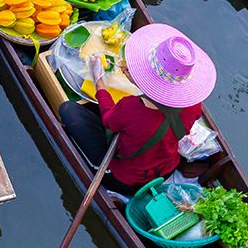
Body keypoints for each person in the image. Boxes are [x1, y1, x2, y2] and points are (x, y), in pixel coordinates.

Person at [60, 24, 216, 194]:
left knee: (69, 110)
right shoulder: (193, 104)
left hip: (124, 179)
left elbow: (108, 121)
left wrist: (99, 82)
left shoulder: (132, 108)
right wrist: (136, 80)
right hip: (165, 170)